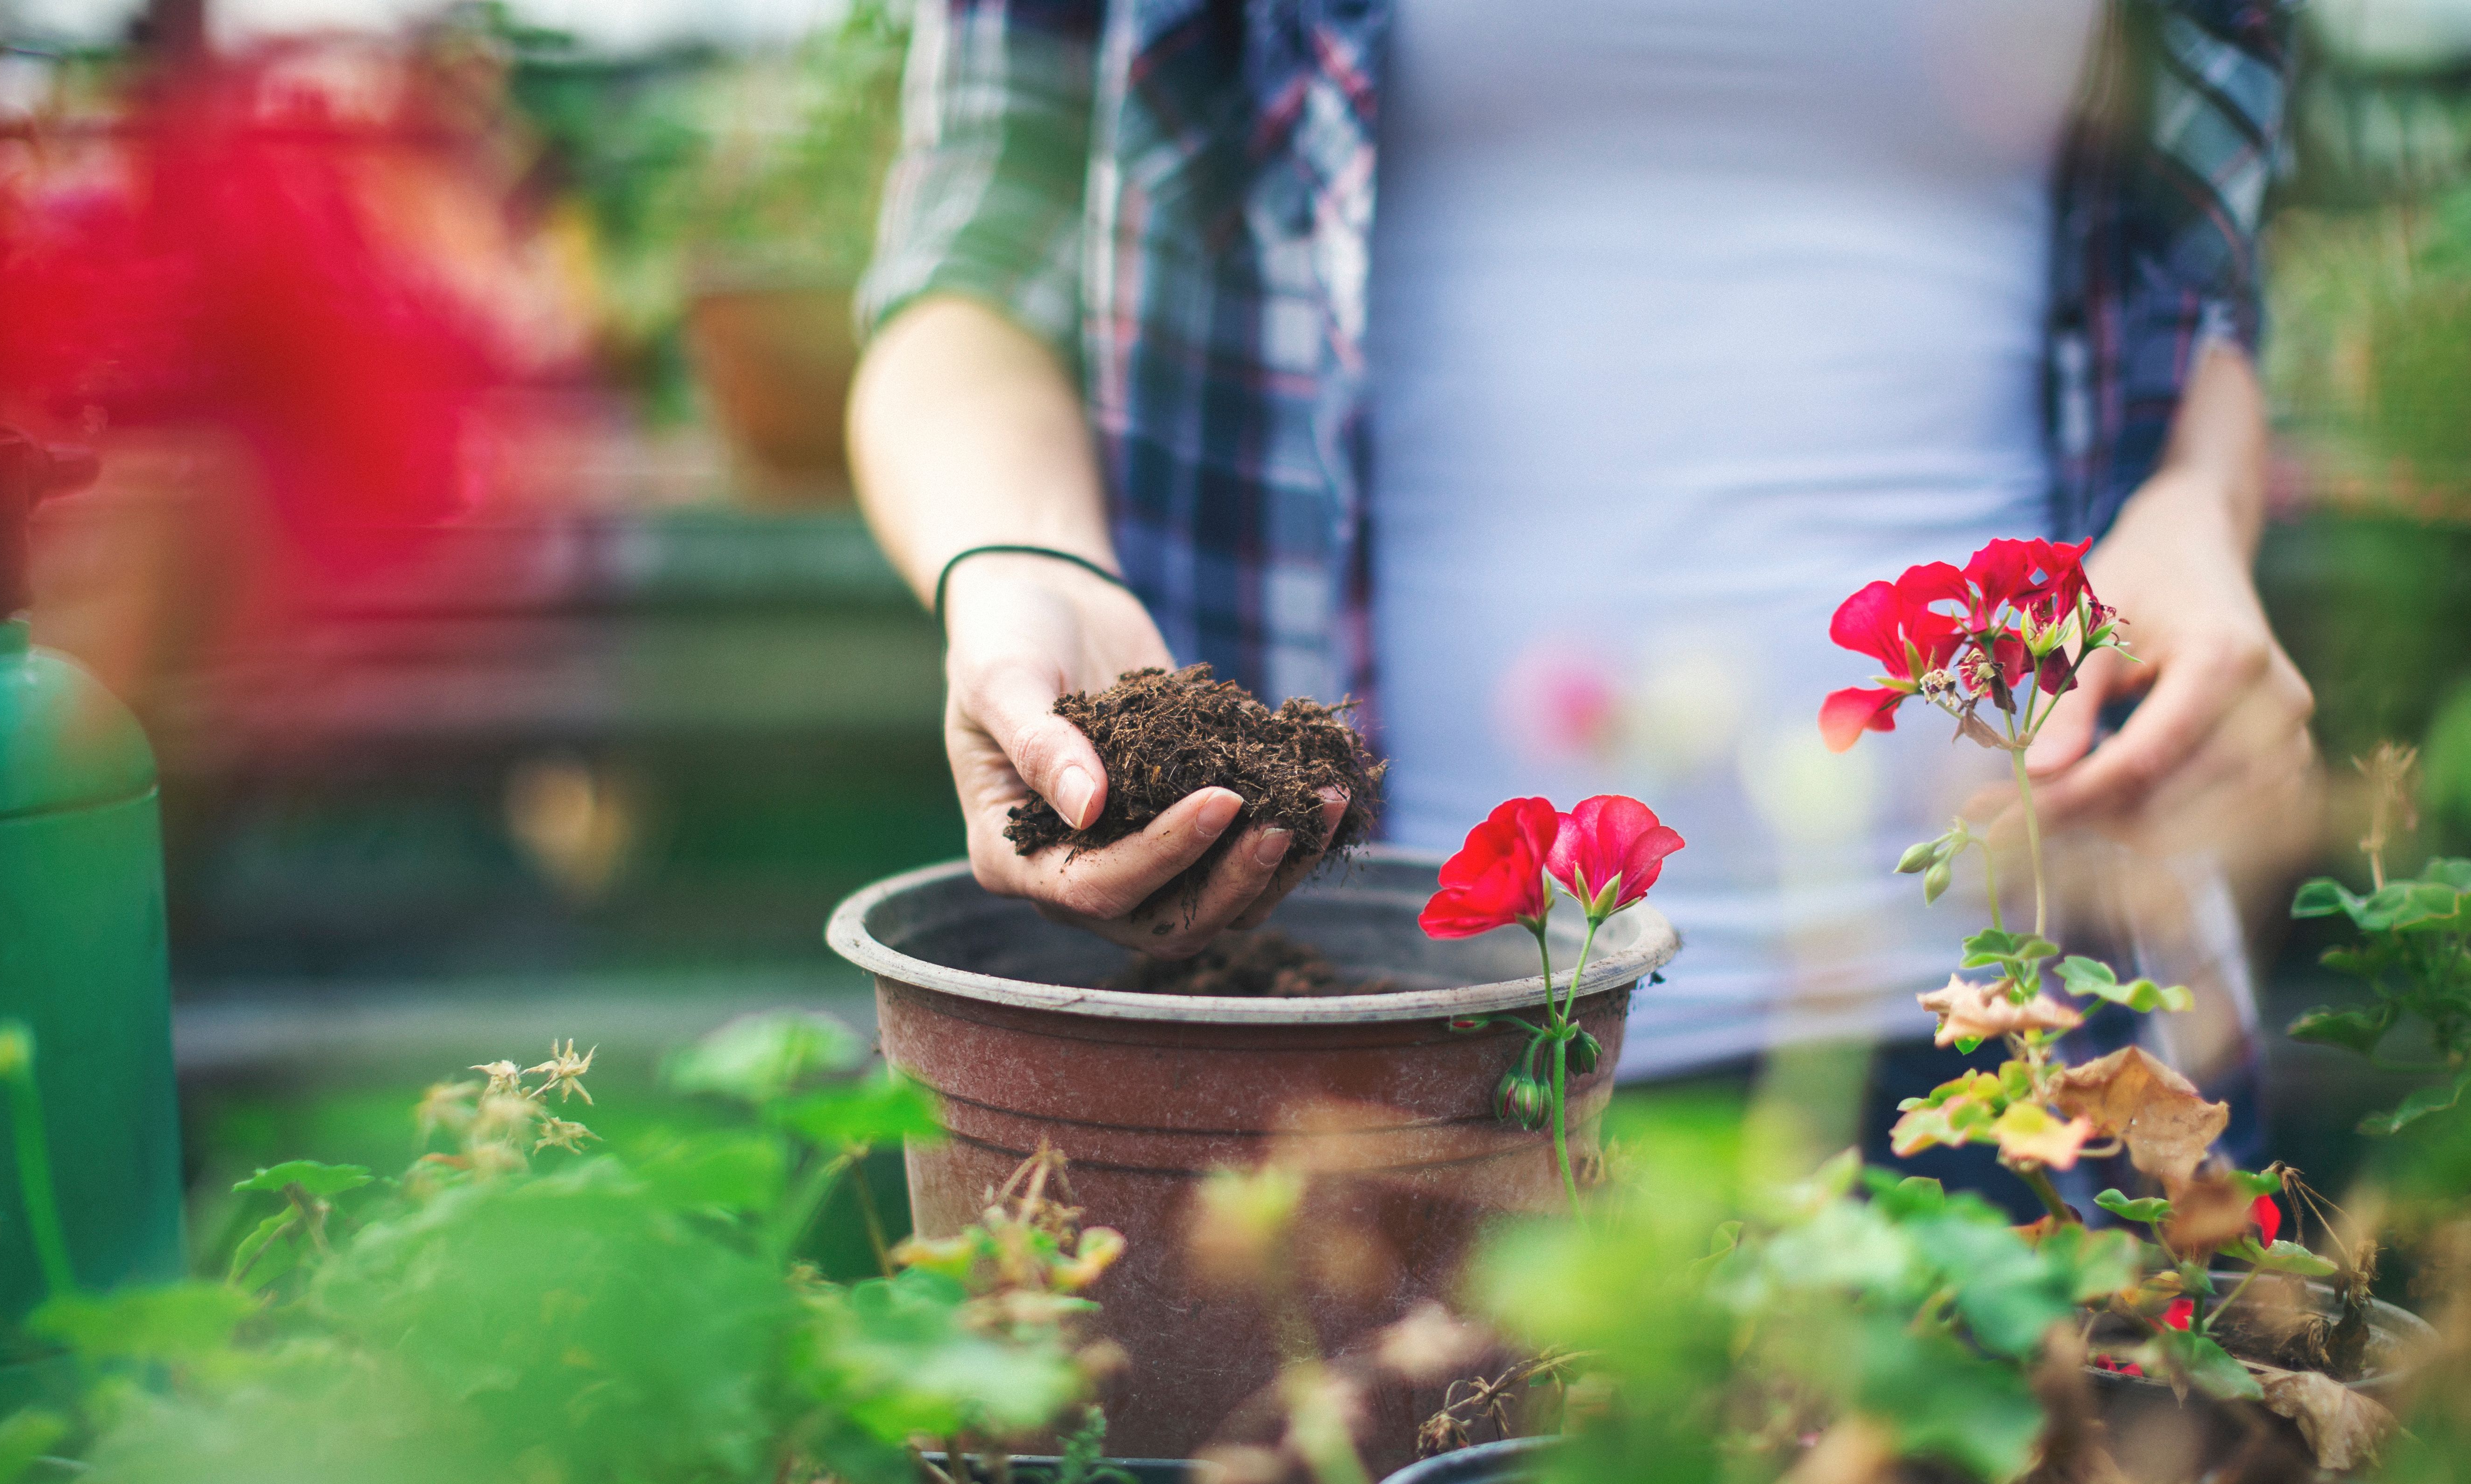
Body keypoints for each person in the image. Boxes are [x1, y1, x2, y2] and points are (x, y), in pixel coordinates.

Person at [844, 0, 2318, 1193]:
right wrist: (1024, 561)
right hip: (1365, 1058)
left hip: (2039, 1033)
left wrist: (2195, 523)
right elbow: (971, 259)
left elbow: (2196, 300)